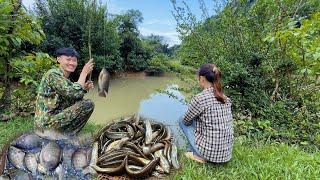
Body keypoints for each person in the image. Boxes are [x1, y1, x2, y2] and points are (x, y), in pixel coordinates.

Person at [179, 63, 233, 164]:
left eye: (198, 79)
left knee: (181, 119)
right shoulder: (225, 98)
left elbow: (186, 121)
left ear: (202, 79)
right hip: (226, 155)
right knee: (199, 120)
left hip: (211, 154)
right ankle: (197, 151)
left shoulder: (200, 98)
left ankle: (198, 155)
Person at [34, 48, 95, 135]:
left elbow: (74, 97)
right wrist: (84, 73)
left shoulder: (65, 80)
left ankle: (65, 135)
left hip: (52, 119)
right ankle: (66, 136)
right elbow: (74, 93)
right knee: (88, 104)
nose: (72, 63)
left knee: (82, 103)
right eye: (68, 59)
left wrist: (84, 88)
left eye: (74, 60)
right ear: (58, 59)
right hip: (45, 124)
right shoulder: (52, 74)